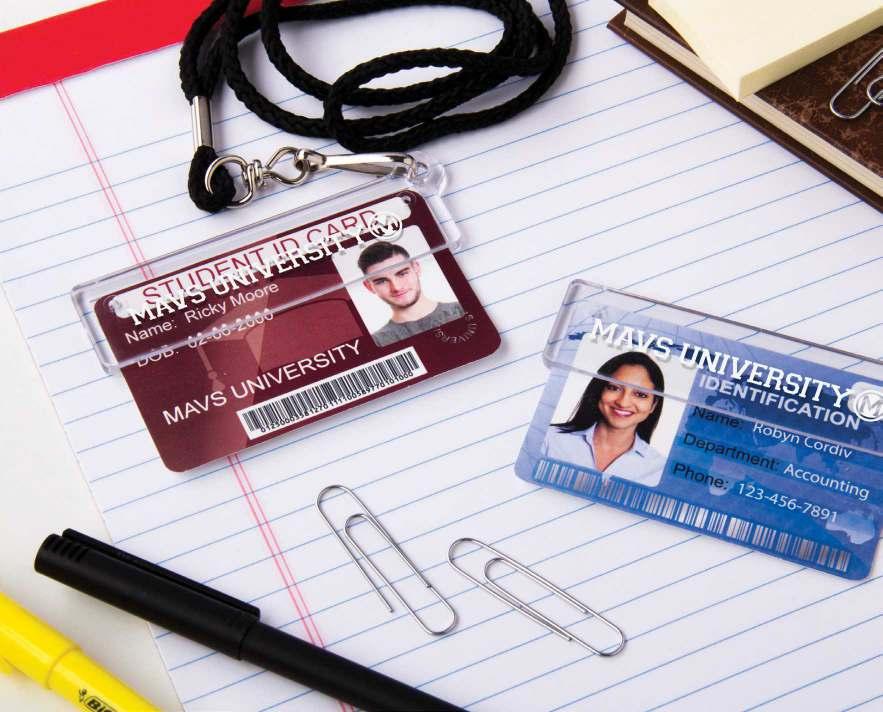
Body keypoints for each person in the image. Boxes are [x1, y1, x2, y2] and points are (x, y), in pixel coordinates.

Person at [541, 351, 666, 486]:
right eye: (614, 388)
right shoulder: (548, 438)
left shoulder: (659, 469)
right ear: (599, 391)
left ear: (653, 405)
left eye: (640, 395)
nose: (623, 403)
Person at [357, 241, 464, 347]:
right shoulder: (377, 342)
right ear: (369, 287)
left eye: (402, 274)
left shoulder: (463, 309)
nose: (397, 287)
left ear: (416, 268)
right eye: (382, 281)